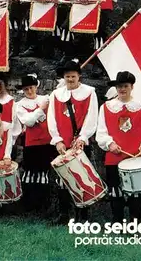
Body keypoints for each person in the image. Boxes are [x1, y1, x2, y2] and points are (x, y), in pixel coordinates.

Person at [96, 71, 141, 222]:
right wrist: (110, 143)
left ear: (132, 87)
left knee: (136, 194)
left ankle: (135, 225)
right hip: (114, 157)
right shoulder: (106, 108)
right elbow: (101, 132)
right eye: (119, 86)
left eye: (125, 86)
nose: (122, 89)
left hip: (135, 159)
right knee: (116, 193)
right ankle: (118, 224)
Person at [47, 59, 98, 223]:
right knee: (63, 180)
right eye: (67, 77)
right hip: (63, 143)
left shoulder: (89, 92)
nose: (70, 79)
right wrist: (57, 140)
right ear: (64, 77)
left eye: (73, 76)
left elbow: (92, 117)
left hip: (79, 143)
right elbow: (52, 118)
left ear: (79, 76)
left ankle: (82, 216)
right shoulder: (56, 95)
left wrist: (83, 137)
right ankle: (63, 215)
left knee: (81, 178)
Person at [15, 74, 54, 213]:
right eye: (26, 89)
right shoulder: (19, 105)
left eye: (31, 88)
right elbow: (28, 121)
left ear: (36, 86)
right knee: (31, 173)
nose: (29, 91)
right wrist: (40, 109)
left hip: (47, 141)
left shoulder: (46, 99)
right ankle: (30, 206)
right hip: (31, 143)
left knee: (44, 172)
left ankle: (43, 206)